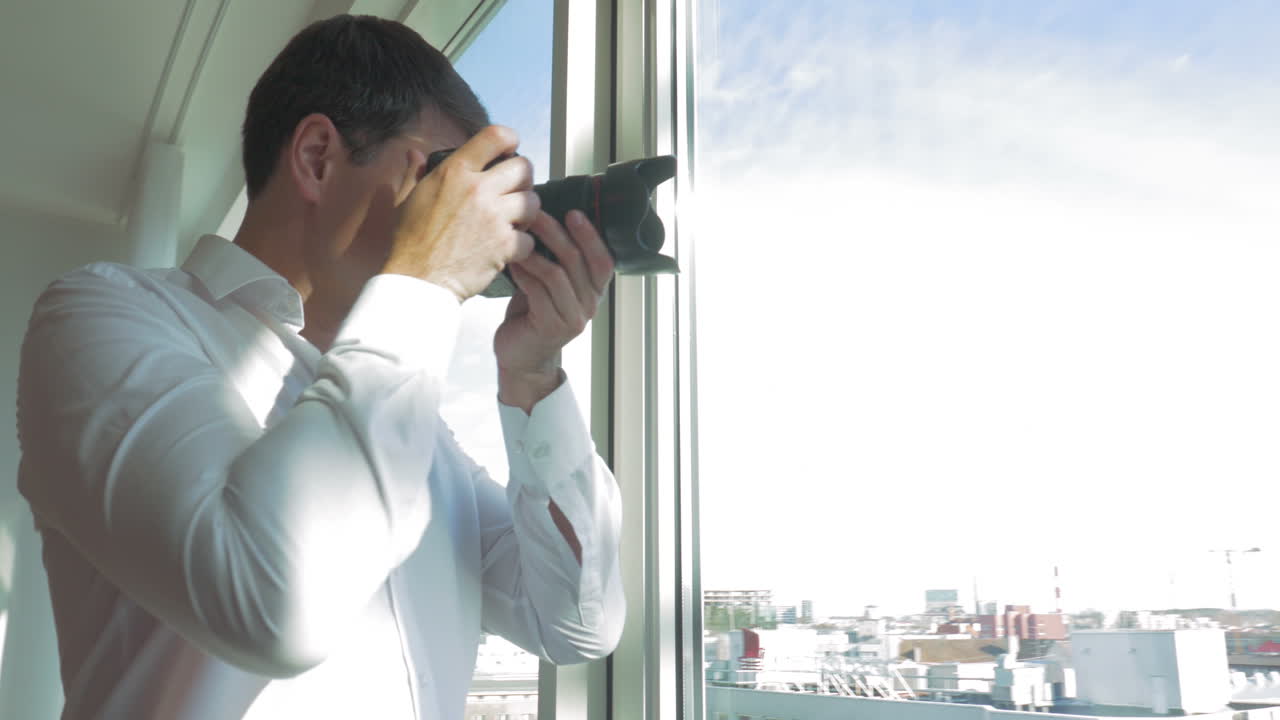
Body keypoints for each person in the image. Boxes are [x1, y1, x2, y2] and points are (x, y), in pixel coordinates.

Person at [16, 14, 624, 720]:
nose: (470, 222)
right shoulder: (103, 315)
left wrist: (533, 383)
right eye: (440, 179)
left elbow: (576, 621)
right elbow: (273, 604)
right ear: (316, 158)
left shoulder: (414, 432)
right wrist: (424, 284)